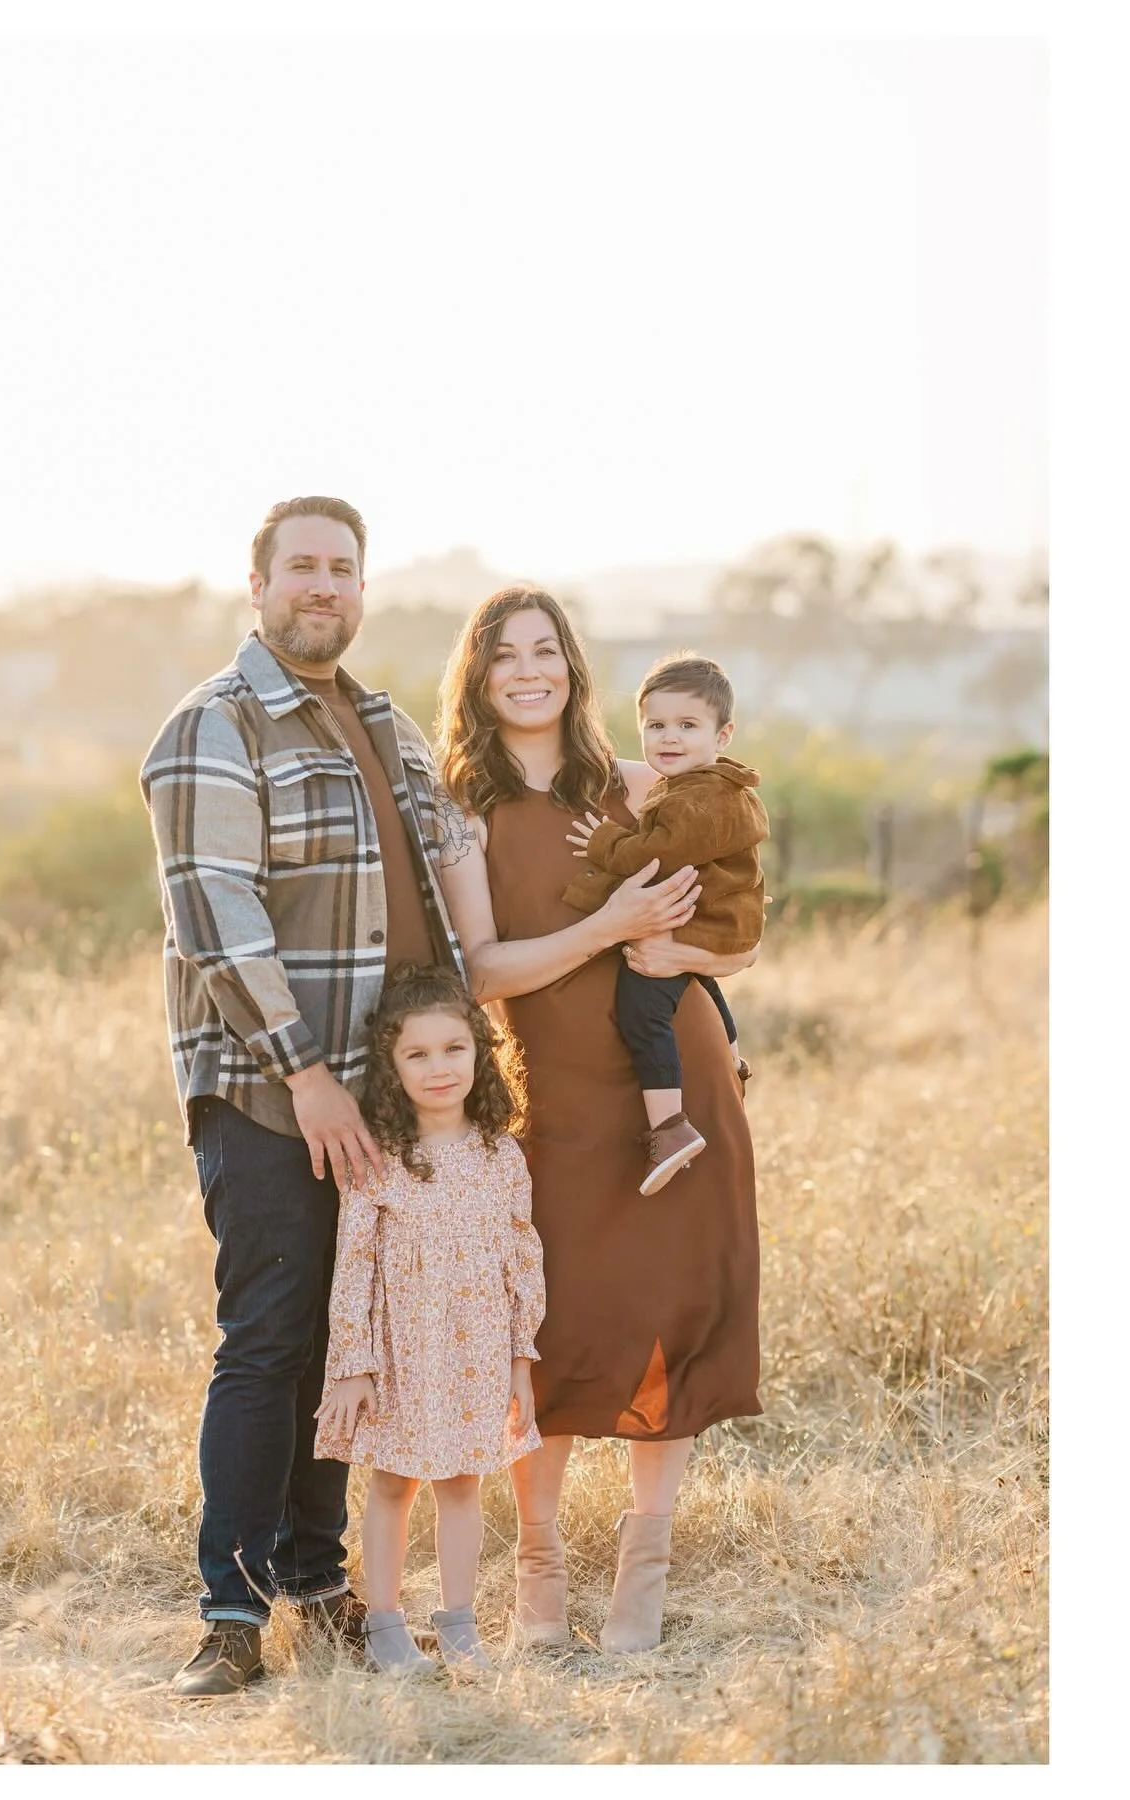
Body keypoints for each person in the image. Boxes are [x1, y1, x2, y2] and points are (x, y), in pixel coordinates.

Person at [139, 497, 465, 1698]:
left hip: (380, 1102)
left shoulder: (386, 726)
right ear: (260, 581)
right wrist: (308, 1074)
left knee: (349, 1347)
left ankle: (319, 1588)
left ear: (363, 589)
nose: (324, 586)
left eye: (344, 568)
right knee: (270, 1340)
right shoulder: (212, 728)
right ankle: (230, 1616)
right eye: (304, 567)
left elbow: (458, 863)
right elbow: (219, 922)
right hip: (271, 1093)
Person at [431, 586, 762, 1655]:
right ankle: (538, 1575)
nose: (528, 671)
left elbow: (727, 933)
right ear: (478, 678)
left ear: (573, 669)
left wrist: (703, 978)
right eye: (504, 655)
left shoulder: (639, 784)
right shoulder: (458, 808)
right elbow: (482, 973)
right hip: (556, 1096)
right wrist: (609, 926)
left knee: (674, 1314)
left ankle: (644, 1573)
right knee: (550, 1328)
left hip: (677, 1090)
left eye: (546, 651)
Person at [313, 963, 545, 1676]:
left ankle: (459, 1623)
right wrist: (351, 1366)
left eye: (454, 1049)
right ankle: (385, 1625)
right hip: (400, 1354)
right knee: (391, 1483)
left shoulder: (501, 1156)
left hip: (476, 1350)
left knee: (463, 1485)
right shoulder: (377, 1162)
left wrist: (520, 1361)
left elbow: (520, 1260)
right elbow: (352, 1267)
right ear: (392, 1065)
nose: (438, 1068)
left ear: (481, 1053)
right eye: (417, 1054)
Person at [562, 654, 768, 1195]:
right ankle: (732, 1059)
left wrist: (605, 842)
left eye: (687, 725)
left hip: (703, 924)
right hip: (717, 921)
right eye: (656, 726)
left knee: (641, 1009)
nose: (668, 738)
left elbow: (659, 854)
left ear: (722, 735)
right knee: (700, 984)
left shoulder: (699, 797)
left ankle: (669, 1127)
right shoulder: (700, 787)